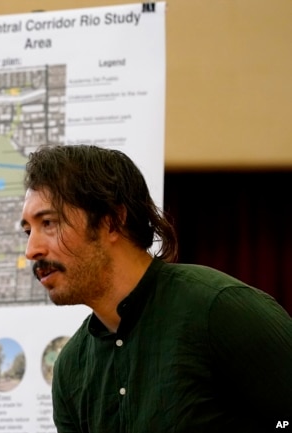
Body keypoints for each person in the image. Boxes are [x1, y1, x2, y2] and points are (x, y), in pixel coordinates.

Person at [19, 144, 292, 432]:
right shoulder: (71, 368)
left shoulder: (219, 310)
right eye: (28, 231)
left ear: (112, 221)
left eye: (48, 223)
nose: (31, 250)